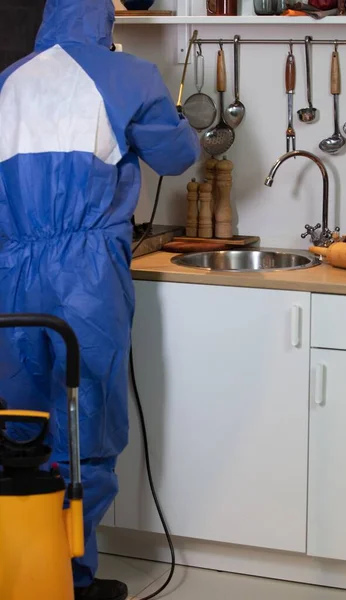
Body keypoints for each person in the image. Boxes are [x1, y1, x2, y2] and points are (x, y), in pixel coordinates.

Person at [0, 0, 200, 599]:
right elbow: (178, 156)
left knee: (18, 425)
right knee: (84, 426)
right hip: (83, 275)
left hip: (11, 269)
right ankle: (70, 577)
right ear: (102, 17)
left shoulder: (10, 78)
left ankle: (18, 572)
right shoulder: (127, 75)